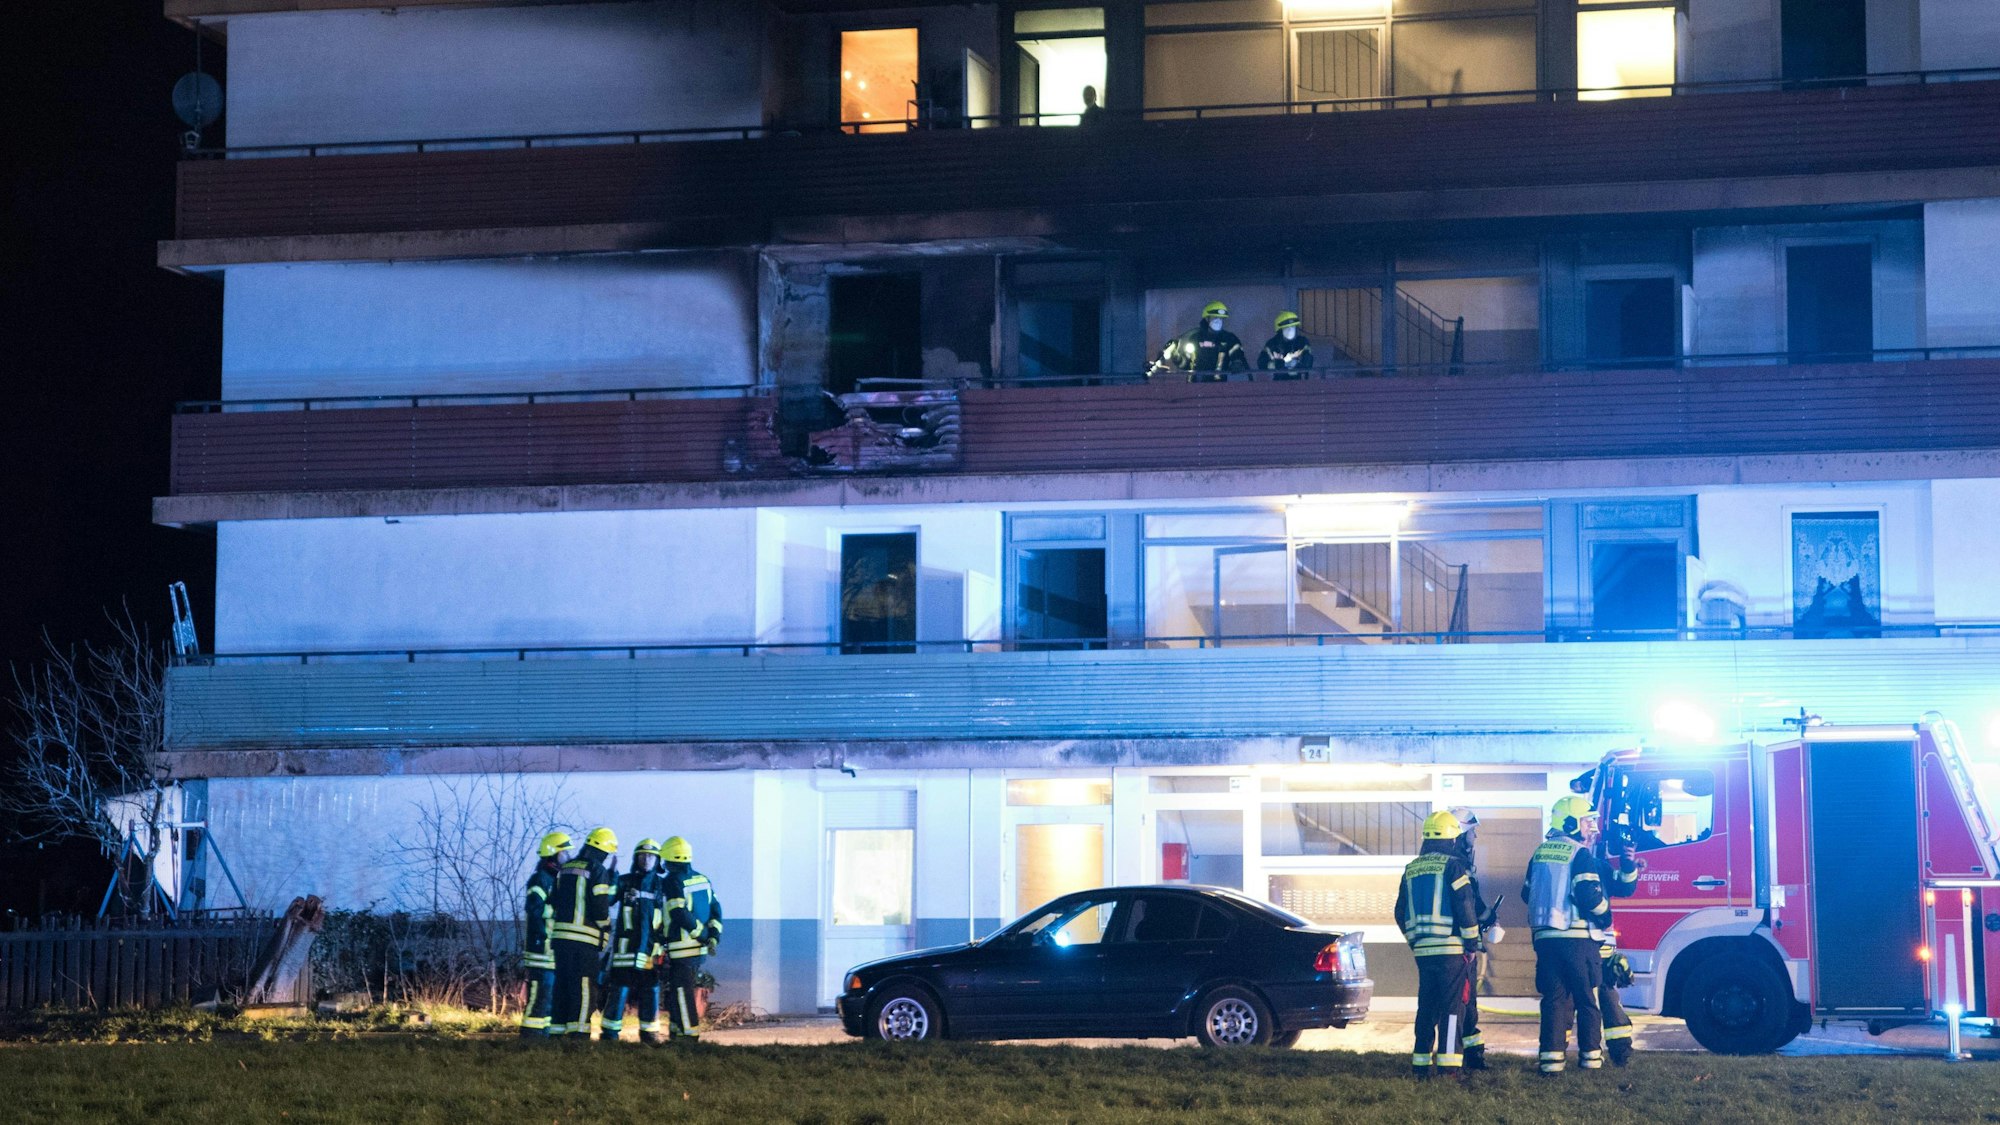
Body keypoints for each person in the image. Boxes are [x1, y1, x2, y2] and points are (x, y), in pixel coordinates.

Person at [1522, 796, 1612, 1075]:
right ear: (1571, 822)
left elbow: (1526, 893)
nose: (1590, 827)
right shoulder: (1579, 853)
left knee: (1553, 1000)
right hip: (1577, 939)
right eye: (1586, 821)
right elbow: (1588, 895)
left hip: (1545, 940)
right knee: (1586, 1000)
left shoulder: (1539, 853)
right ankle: (1590, 1060)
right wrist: (1605, 916)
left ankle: (1551, 1062)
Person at [1394, 810, 1483, 1080]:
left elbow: (1399, 912)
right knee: (1452, 1010)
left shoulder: (1411, 868)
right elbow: (1465, 905)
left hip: (1423, 952)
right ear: (1452, 838)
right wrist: (1471, 944)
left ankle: (1420, 1066)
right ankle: (1449, 1068)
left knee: (1427, 1008)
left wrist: (1414, 941)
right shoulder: (1453, 866)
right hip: (1451, 950)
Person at [1445, 807, 1505, 1071]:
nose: (1476, 837)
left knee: (1462, 1003)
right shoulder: (1458, 866)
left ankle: (1468, 1054)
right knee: (1464, 1003)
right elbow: (1471, 904)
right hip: (1460, 947)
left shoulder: (1451, 863)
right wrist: (1490, 917)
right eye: (1473, 832)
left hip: (1453, 945)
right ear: (1461, 833)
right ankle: (1466, 1058)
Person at [547, 826, 618, 1038]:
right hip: (584, 941)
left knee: (562, 986)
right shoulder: (597, 870)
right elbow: (600, 907)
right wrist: (606, 926)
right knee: (584, 987)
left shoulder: (565, 868)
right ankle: (578, 1035)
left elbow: (553, 900)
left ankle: (557, 1033)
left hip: (560, 939)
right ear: (603, 851)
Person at [600, 838, 669, 1044]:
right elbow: (608, 899)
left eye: (651, 856)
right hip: (626, 950)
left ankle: (650, 1035)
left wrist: (664, 945)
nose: (646, 860)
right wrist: (612, 874)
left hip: (650, 951)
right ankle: (609, 1035)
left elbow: (668, 917)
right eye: (642, 856)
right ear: (635, 859)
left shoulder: (662, 886)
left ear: (658, 860)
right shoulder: (625, 881)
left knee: (650, 991)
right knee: (619, 991)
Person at [659, 835, 724, 1041]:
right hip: (698, 950)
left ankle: (688, 1037)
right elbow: (716, 910)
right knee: (679, 992)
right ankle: (677, 1033)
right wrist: (713, 937)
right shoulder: (703, 879)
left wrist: (701, 935)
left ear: (669, 859)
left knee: (681, 993)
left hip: (682, 947)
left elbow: (679, 913)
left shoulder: (672, 881)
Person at [518, 830, 571, 1037]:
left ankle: (544, 1037)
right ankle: (530, 1037)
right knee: (540, 996)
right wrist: (554, 917)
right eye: (563, 853)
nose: (567, 857)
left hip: (550, 952)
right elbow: (534, 909)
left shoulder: (555, 879)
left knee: (549, 998)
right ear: (552, 854)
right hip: (540, 950)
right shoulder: (540, 879)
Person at [1146, 301, 1248, 382]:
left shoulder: (1229, 339)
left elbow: (1238, 357)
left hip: (1219, 389)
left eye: (1221, 318)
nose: (1218, 321)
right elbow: (1185, 365)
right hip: (1193, 388)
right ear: (1207, 319)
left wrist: (1237, 364)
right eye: (1215, 317)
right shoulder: (1194, 338)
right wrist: (1176, 356)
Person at [1257, 311, 1314, 379]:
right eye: (1286, 328)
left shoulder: (1302, 342)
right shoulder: (1272, 344)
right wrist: (1280, 364)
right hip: (1278, 382)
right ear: (1280, 331)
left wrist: (1296, 365)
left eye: (1293, 327)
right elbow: (1262, 364)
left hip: (1299, 382)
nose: (1290, 330)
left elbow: (1308, 362)